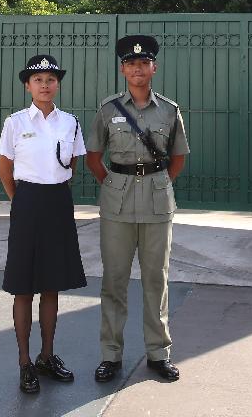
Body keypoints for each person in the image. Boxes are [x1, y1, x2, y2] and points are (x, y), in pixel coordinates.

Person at [86, 34, 190, 383]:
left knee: (155, 280)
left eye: (143, 63)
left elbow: (178, 157)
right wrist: (115, 184)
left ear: (153, 68)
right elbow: (93, 156)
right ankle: (111, 355)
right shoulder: (108, 109)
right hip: (117, 205)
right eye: (131, 63)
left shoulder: (169, 110)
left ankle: (158, 353)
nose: (137, 69)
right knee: (114, 281)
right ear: (122, 69)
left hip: (158, 204)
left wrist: (159, 183)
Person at [0, 54, 87, 395]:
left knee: (52, 285)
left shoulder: (70, 122)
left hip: (58, 202)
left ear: (58, 84)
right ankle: (25, 363)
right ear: (27, 85)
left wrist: (51, 194)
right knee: (24, 286)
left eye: (51, 79)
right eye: (38, 80)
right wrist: (20, 202)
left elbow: (72, 165)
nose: (45, 85)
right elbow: (5, 170)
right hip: (28, 202)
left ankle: (46, 356)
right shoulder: (16, 123)